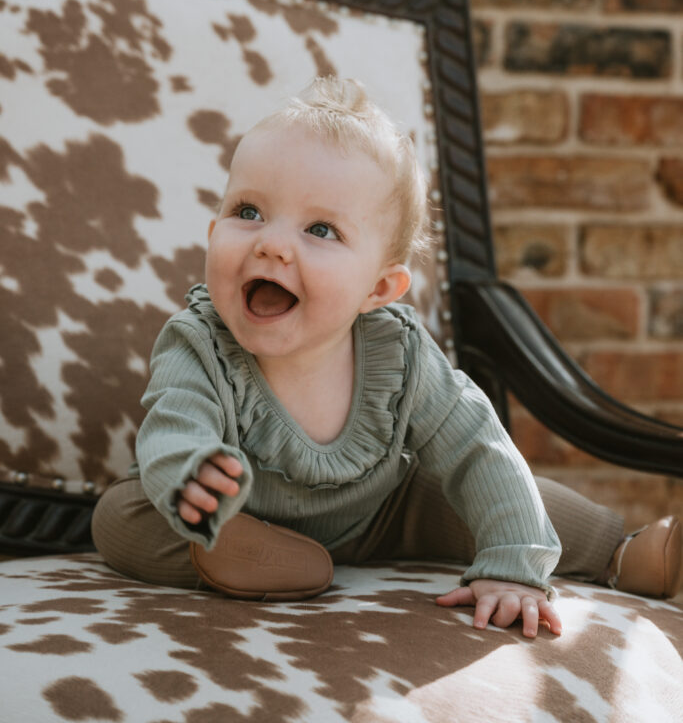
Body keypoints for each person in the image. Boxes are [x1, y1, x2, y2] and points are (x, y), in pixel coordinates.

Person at [93, 78, 682, 638]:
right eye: (247, 212)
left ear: (378, 290)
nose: (270, 242)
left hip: (381, 512)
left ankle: (628, 553)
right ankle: (236, 552)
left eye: (320, 229)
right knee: (122, 517)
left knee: (488, 494)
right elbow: (176, 418)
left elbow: (479, 446)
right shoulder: (199, 340)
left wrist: (513, 563)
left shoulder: (397, 354)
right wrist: (192, 473)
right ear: (213, 228)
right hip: (233, 511)